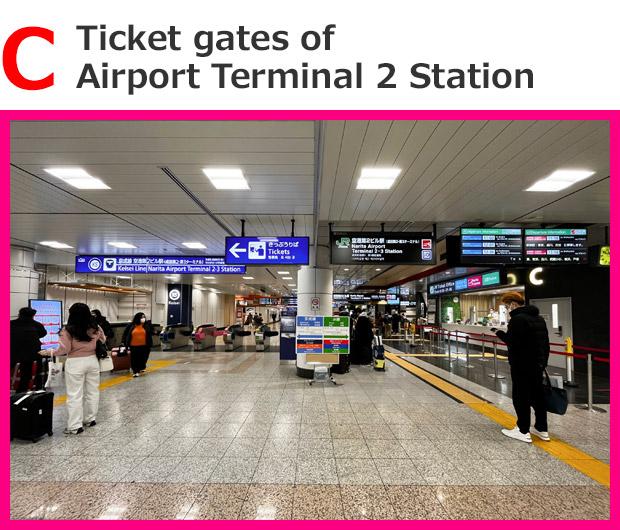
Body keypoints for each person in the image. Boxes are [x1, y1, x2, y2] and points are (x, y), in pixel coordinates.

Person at [492, 291, 550, 443]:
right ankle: (542, 429)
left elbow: (512, 341)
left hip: (522, 365)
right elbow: (545, 344)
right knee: (538, 396)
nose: (507, 309)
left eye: (507, 306)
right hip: (537, 364)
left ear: (513, 304)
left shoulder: (517, 319)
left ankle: (523, 429)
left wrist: (498, 332)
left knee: (521, 396)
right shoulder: (539, 319)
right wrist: (543, 362)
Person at [39, 303, 104, 434]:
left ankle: (75, 426)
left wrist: (49, 352)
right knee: (93, 391)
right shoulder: (95, 327)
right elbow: (103, 339)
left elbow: (64, 350)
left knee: (75, 394)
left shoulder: (67, 330)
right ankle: (90, 419)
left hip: (75, 362)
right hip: (92, 361)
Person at [10, 307, 47, 392]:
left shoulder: (11, 324)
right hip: (31, 354)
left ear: (19, 314)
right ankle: (23, 391)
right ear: (33, 316)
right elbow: (43, 333)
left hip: (13, 351)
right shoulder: (37, 325)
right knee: (27, 372)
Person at [122, 312, 153, 377]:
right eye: (141, 317)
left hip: (144, 346)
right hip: (133, 346)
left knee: (142, 358)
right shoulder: (131, 325)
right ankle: (135, 371)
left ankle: (141, 367)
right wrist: (124, 343)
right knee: (134, 359)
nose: (143, 318)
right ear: (137, 318)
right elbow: (126, 334)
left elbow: (150, 334)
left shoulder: (146, 325)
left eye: (144, 317)